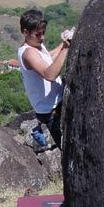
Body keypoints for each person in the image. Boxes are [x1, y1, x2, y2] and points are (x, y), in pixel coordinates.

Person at [17, 9, 74, 150]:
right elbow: (50, 74)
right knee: (69, 149)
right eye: (37, 34)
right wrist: (66, 48)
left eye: (43, 33)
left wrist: (64, 42)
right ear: (25, 32)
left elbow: (49, 57)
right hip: (50, 111)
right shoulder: (28, 52)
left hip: (55, 103)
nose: (42, 37)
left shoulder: (36, 46)